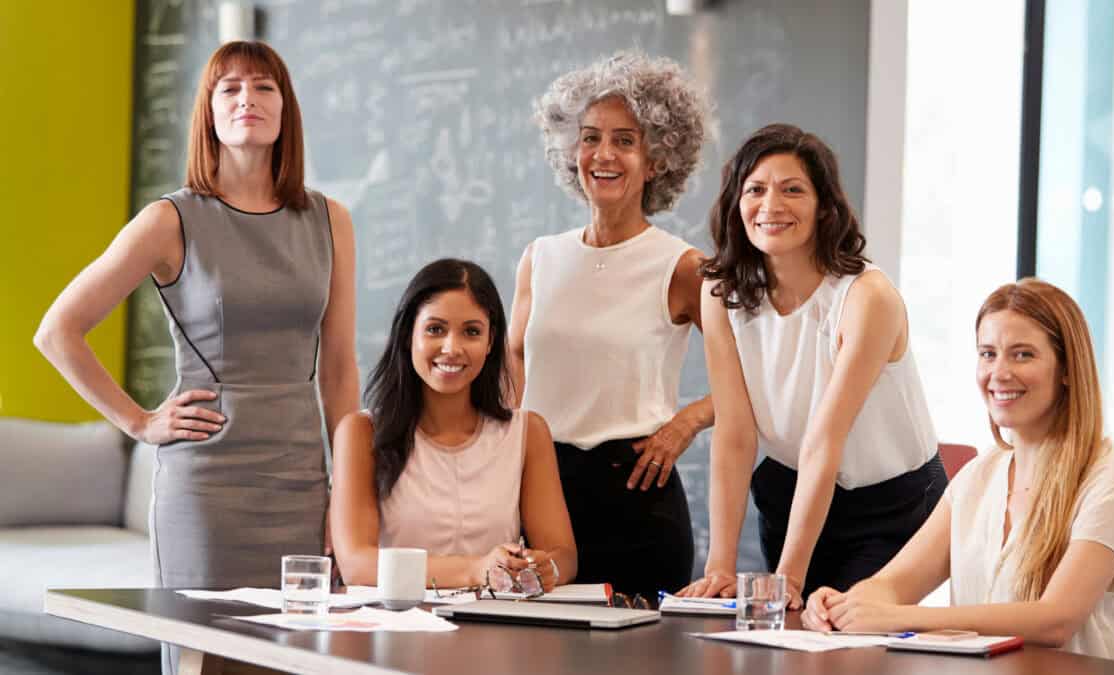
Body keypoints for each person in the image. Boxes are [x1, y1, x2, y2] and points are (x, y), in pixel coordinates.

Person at [33, 41, 359, 673]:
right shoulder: (170, 220)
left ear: (286, 109)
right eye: (229, 89)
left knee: (294, 661)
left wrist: (346, 494)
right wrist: (139, 423)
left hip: (300, 487)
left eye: (264, 88)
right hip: (206, 490)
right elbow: (58, 331)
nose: (248, 100)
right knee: (205, 663)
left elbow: (341, 371)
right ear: (207, 112)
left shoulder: (330, 220)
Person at [800, 279, 1114, 660]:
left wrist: (900, 617)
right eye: (988, 353)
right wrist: (842, 605)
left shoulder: (1111, 480)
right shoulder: (977, 478)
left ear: (1066, 369)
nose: (999, 372)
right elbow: (892, 585)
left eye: (1023, 354)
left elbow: (1055, 620)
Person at [680, 124, 947, 607]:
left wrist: (790, 579)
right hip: (790, 490)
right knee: (789, 639)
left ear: (825, 207)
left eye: (792, 190)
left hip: (891, 504)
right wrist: (719, 566)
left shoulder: (868, 298)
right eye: (755, 189)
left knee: (845, 634)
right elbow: (736, 433)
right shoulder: (721, 292)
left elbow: (826, 442)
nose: (771, 206)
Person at [510, 51, 712, 598]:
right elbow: (513, 371)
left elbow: (750, 380)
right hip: (539, 494)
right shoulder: (540, 257)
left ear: (657, 161)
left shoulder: (683, 266)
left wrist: (683, 425)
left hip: (637, 499)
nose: (604, 154)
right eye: (591, 137)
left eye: (625, 140)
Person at [330, 259, 577, 593]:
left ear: (491, 343)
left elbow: (563, 556)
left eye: (472, 332)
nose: (452, 348)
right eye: (435, 329)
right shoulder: (360, 432)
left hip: (497, 629)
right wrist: (476, 570)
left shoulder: (527, 432)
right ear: (408, 335)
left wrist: (543, 568)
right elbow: (357, 564)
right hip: (397, 629)